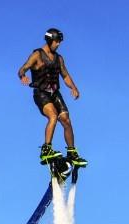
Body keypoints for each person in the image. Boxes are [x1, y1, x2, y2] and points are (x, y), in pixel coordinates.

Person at [17, 28, 88, 168]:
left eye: (59, 42)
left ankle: (72, 152)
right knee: (53, 116)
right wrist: (23, 75)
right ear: (50, 41)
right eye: (57, 42)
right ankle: (46, 149)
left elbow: (65, 76)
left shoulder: (59, 58)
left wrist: (74, 88)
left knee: (66, 120)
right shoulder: (37, 55)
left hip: (55, 93)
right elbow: (22, 68)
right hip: (41, 93)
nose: (58, 44)